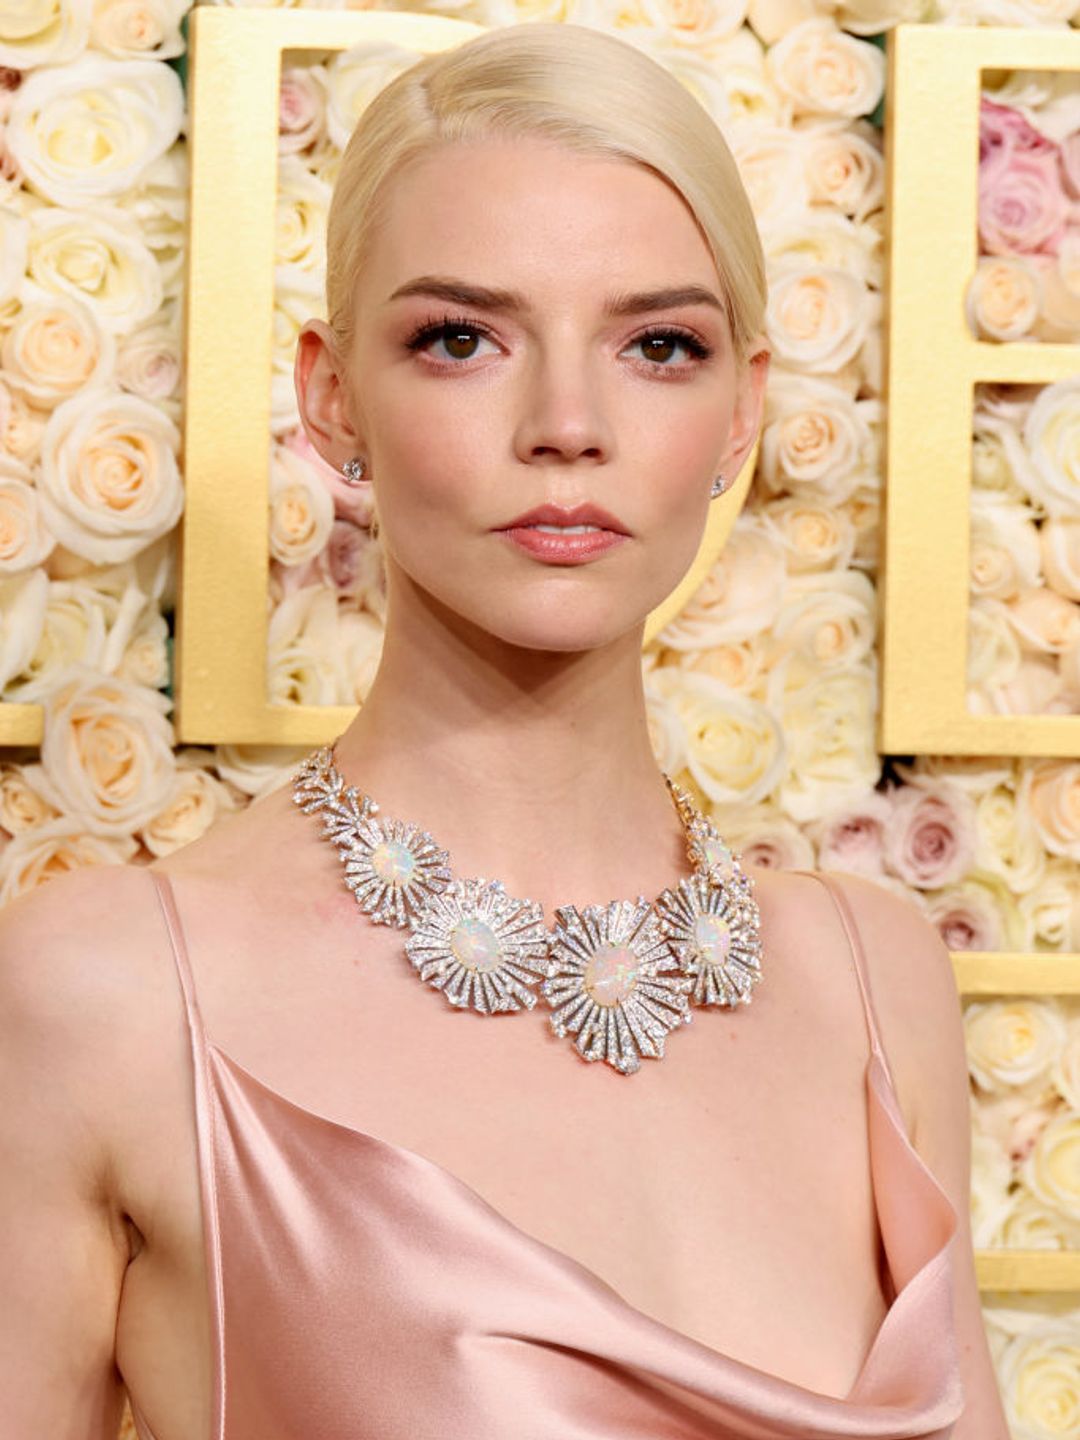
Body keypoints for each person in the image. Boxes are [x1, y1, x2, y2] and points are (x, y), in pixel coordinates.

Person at [0, 20, 1008, 1440]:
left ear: (744, 413)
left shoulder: (873, 980)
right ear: (331, 397)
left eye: (659, 345)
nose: (567, 423)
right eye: (460, 339)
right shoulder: (105, 996)